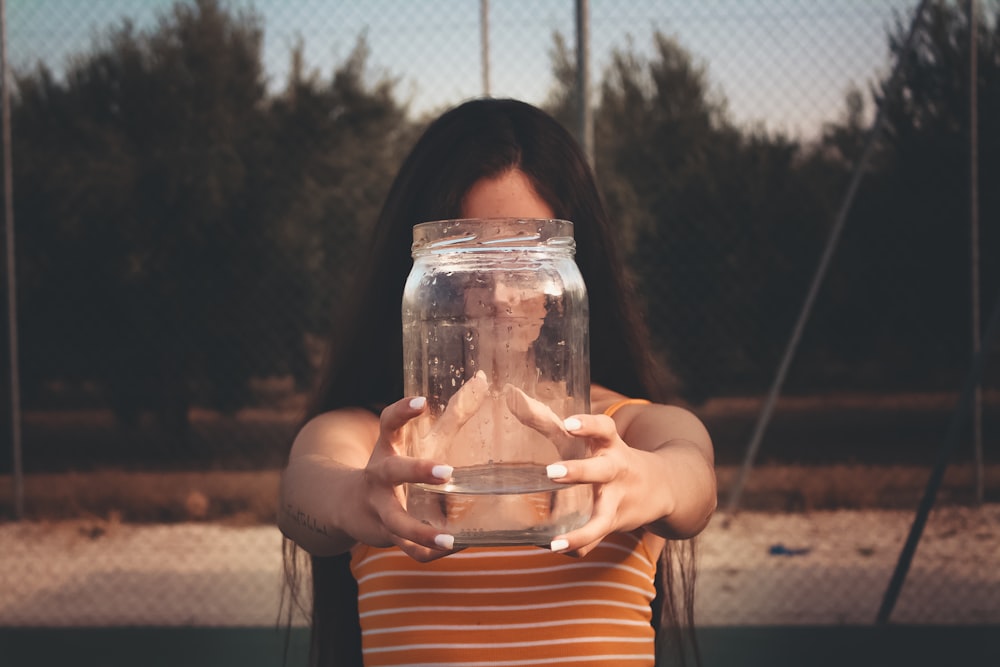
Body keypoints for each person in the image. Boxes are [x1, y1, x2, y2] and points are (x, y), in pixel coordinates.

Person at [279, 98, 717, 667]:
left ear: (568, 269)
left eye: (526, 261)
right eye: (472, 264)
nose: (502, 295)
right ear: (422, 270)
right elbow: (299, 494)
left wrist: (645, 476)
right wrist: (355, 496)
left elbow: (694, 474)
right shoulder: (378, 443)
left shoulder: (618, 432)